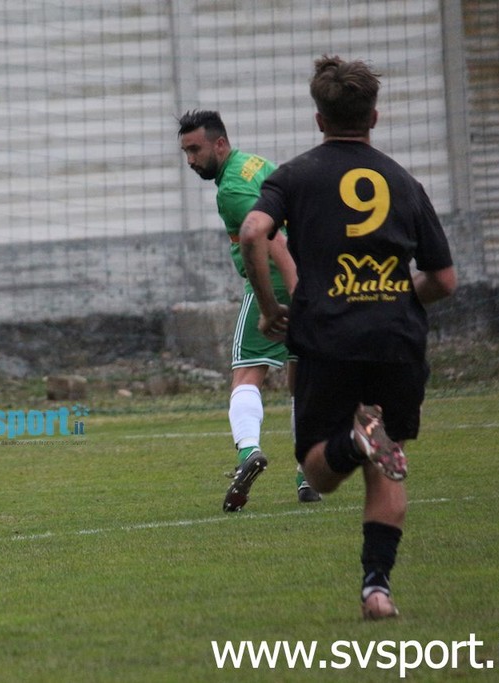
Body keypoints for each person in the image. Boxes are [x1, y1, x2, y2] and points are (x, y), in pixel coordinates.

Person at [239, 56, 456, 619]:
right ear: (374, 117)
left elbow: (253, 231)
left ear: (319, 119)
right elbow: (443, 280)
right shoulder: (405, 182)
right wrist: (397, 297)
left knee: (318, 470)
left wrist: (271, 308)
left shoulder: (295, 176)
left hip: (328, 338)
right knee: (389, 459)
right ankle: (377, 588)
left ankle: (356, 441)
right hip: (396, 340)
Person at [178, 110, 321, 512]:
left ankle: (248, 452)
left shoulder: (231, 190)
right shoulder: (254, 164)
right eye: (186, 152)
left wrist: (285, 297)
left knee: (246, 374)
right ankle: (307, 474)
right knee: (301, 379)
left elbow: (270, 240)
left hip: (276, 282)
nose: (190, 160)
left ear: (220, 144)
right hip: (311, 273)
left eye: (196, 150)